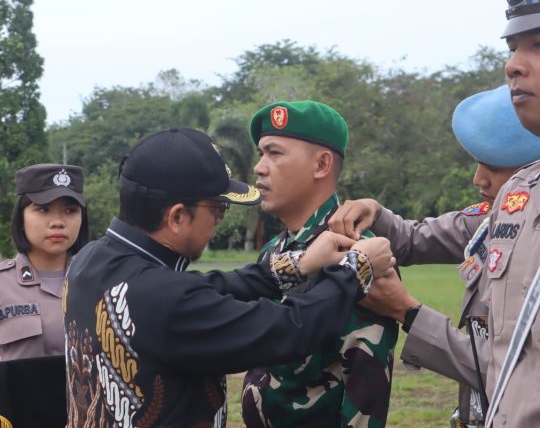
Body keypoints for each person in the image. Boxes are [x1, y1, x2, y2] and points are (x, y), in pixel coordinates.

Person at [347, 0, 540, 426]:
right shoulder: (519, 195)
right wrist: (374, 211)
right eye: (513, 48)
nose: (513, 66)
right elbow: (506, 366)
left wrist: (410, 312)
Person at [63, 127, 399, 428]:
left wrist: (299, 263)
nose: (219, 221)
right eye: (218, 209)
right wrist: (356, 269)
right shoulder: (166, 298)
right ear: (177, 217)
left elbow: (210, 287)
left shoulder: (90, 261)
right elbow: (288, 330)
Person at [329, 85, 540, 427]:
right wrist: (375, 211)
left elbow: (516, 371)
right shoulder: (495, 218)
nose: (478, 179)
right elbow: (414, 239)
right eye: (478, 164)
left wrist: (407, 311)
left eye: (494, 167)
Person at [241, 100, 398, 428]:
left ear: (322, 165)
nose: (259, 167)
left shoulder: (357, 253)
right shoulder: (274, 250)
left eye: (274, 153)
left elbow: (364, 392)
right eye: (261, 154)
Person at [0, 163, 90, 399]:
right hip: (17, 412)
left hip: (86, 413)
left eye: (70, 210)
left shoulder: (100, 282)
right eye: (43, 209)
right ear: (20, 216)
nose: (58, 222)